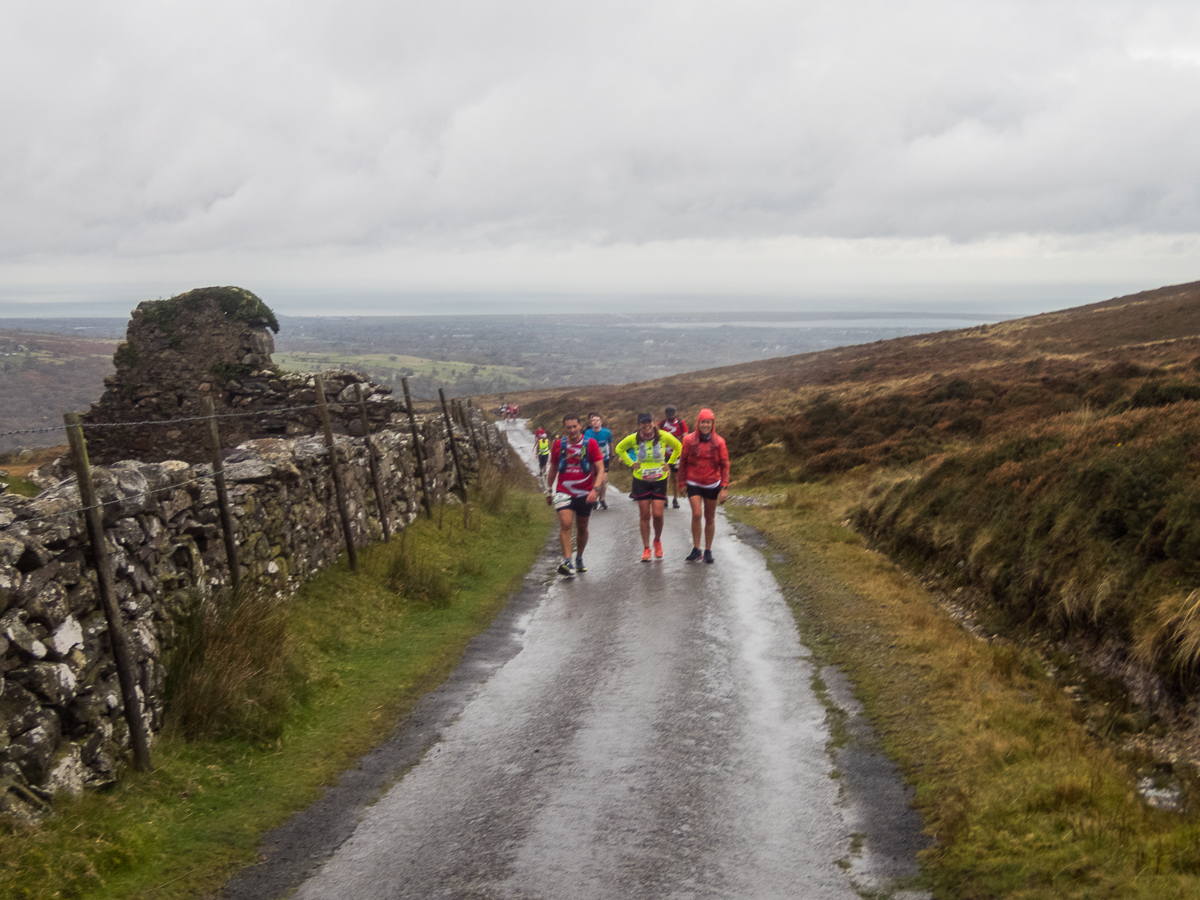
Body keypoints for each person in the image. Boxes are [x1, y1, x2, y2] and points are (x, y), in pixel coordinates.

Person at [615, 413, 683, 561]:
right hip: (641, 479)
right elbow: (619, 448)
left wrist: (669, 463)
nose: (646, 425)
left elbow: (678, 446)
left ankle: (657, 540)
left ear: (653, 423)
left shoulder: (663, 436)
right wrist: (631, 463)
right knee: (645, 515)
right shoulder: (633, 438)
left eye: (648, 422)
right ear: (638, 425)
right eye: (642, 423)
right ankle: (646, 548)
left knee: (658, 514)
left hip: (659, 479)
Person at [547, 414, 606, 575]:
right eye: (568, 427)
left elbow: (600, 469)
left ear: (580, 426)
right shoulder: (558, 445)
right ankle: (567, 561)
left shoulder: (591, 444)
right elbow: (553, 468)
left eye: (574, 426)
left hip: (586, 493)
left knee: (582, 527)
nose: (572, 430)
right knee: (566, 523)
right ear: (564, 428)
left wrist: (595, 489)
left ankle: (579, 556)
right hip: (563, 491)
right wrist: (548, 489)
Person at [677, 408, 729, 564]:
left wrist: (724, 487)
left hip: (713, 483)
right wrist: (681, 482)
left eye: (708, 422)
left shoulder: (719, 441)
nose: (705, 424)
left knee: (710, 517)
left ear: (712, 424)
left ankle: (708, 550)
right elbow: (683, 461)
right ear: (698, 423)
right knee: (697, 514)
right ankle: (696, 548)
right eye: (703, 422)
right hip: (693, 482)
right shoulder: (688, 440)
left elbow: (725, 464)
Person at [658, 405, 690, 509]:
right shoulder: (661, 424)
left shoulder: (681, 423)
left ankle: (675, 500)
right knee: (665, 477)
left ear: (675, 413)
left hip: (676, 455)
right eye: (669, 414)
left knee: (675, 478)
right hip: (664, 456)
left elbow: (686, 436)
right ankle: (665, 498)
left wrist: (685, 450)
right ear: (665, 414)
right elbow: (656, 436)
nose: (670, 416)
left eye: (672, 414)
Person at [582, 412, 615, 509]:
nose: (595, 422)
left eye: (597, 420)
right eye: (593, 420)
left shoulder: (607, 432)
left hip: (604, 459)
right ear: (590, 423)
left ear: (601, 422)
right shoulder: (587, 433)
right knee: (595, 480)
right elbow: (584, 446)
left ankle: (602, 499)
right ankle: (595, 500)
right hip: (592, 460)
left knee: (604, 480)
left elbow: (610, 444)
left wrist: (611, 455)